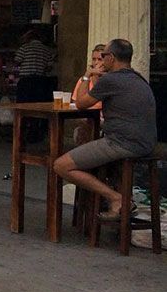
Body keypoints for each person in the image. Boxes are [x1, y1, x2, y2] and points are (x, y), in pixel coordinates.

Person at [54, 39, 157, 219]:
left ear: (111, 58)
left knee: (61, 166)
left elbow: (80, 103)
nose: (101, 60)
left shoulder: (110, 79)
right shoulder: (138, 78)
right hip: (146, 142)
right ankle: (115, 200)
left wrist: (88, 75)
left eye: (103, 56)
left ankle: (116, 198)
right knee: (96, 159)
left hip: (122, 143)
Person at [14, 29, 55, 142]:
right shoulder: (47, 50)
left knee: (22, 107)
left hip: (26, 80)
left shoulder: (24, 48)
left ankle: (20, 135)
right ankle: (35, 133)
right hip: (40, 81)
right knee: (37, 108)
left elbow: (16, 62)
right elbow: (49, 67)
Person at [69, 44, 105, 145]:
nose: (96, 63)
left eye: (100, 59)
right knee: (81, 129)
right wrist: (87, 75)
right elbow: (76, 103)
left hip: (105, 119)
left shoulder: (110, 80)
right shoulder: (84, 80)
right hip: (86, 118)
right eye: (94, 59)